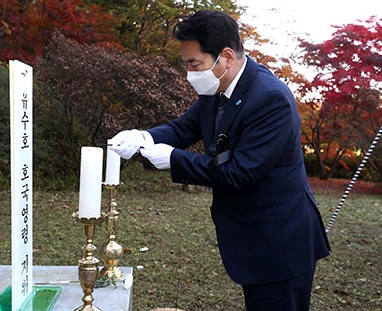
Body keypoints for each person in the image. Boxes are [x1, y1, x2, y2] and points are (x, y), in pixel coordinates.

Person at [109, 10, 331, 310]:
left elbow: (239, 173)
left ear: (226, 56)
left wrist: (174, 160)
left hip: (280, 242)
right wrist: (144, 138)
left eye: (194, 64)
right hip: (254, 236)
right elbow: (185, 127)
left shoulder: (270, 98)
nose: (189, 74)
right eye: (185, 64)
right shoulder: (217, 87)